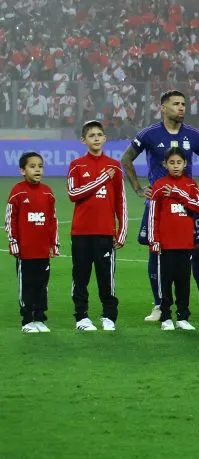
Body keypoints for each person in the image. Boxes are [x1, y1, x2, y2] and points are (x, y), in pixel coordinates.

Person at [121, 90, 199, 322]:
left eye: (183, 104)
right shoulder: (149, 134)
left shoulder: (193, 135)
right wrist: (139, 189)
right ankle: (159, 306)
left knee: (198, 251)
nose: (181, 108)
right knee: (156, 251)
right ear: (163, 107)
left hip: (186, 205)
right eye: (176, 104)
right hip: (159, 205)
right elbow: (126, 159)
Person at [67, 120, 127, 332]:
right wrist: (101, 180)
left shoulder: (114, 166)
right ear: (84, 140)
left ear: (105, 138)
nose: (96, 138)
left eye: (99, 134)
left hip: (105, 233)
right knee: (80, 276)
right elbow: (74, 194)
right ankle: (81, 316)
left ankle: (108, 316)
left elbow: (121, 200)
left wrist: (121, 231)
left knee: (106, 277)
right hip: (81, 232)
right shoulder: (76, 165)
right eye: (91, 135)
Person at [149, 147, 199, 331]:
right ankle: (166, 317)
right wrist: (154, 239)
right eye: (171, 163)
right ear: (165, 164)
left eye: (179, 162)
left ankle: (183, 317)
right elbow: (153, 214)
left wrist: (178, 194)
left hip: (185, 243)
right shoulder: (159, 185)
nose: (175, 166)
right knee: (165, 281)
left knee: (183, 281)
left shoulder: (190, 185)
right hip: (165, 243)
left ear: (185, 164)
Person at [6, 152, 58, 333]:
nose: (37, 169)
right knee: (26, 285)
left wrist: (54, 244)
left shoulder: (48, 192)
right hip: (25, 251)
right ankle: (27, 320)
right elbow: (10, 219)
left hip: (43, 250)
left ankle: (40, 318)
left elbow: (52, 220)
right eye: (32, 166)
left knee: (42, 286)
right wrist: (13, 243)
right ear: (23, 170)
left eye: (40, 166)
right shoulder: (17, 192)